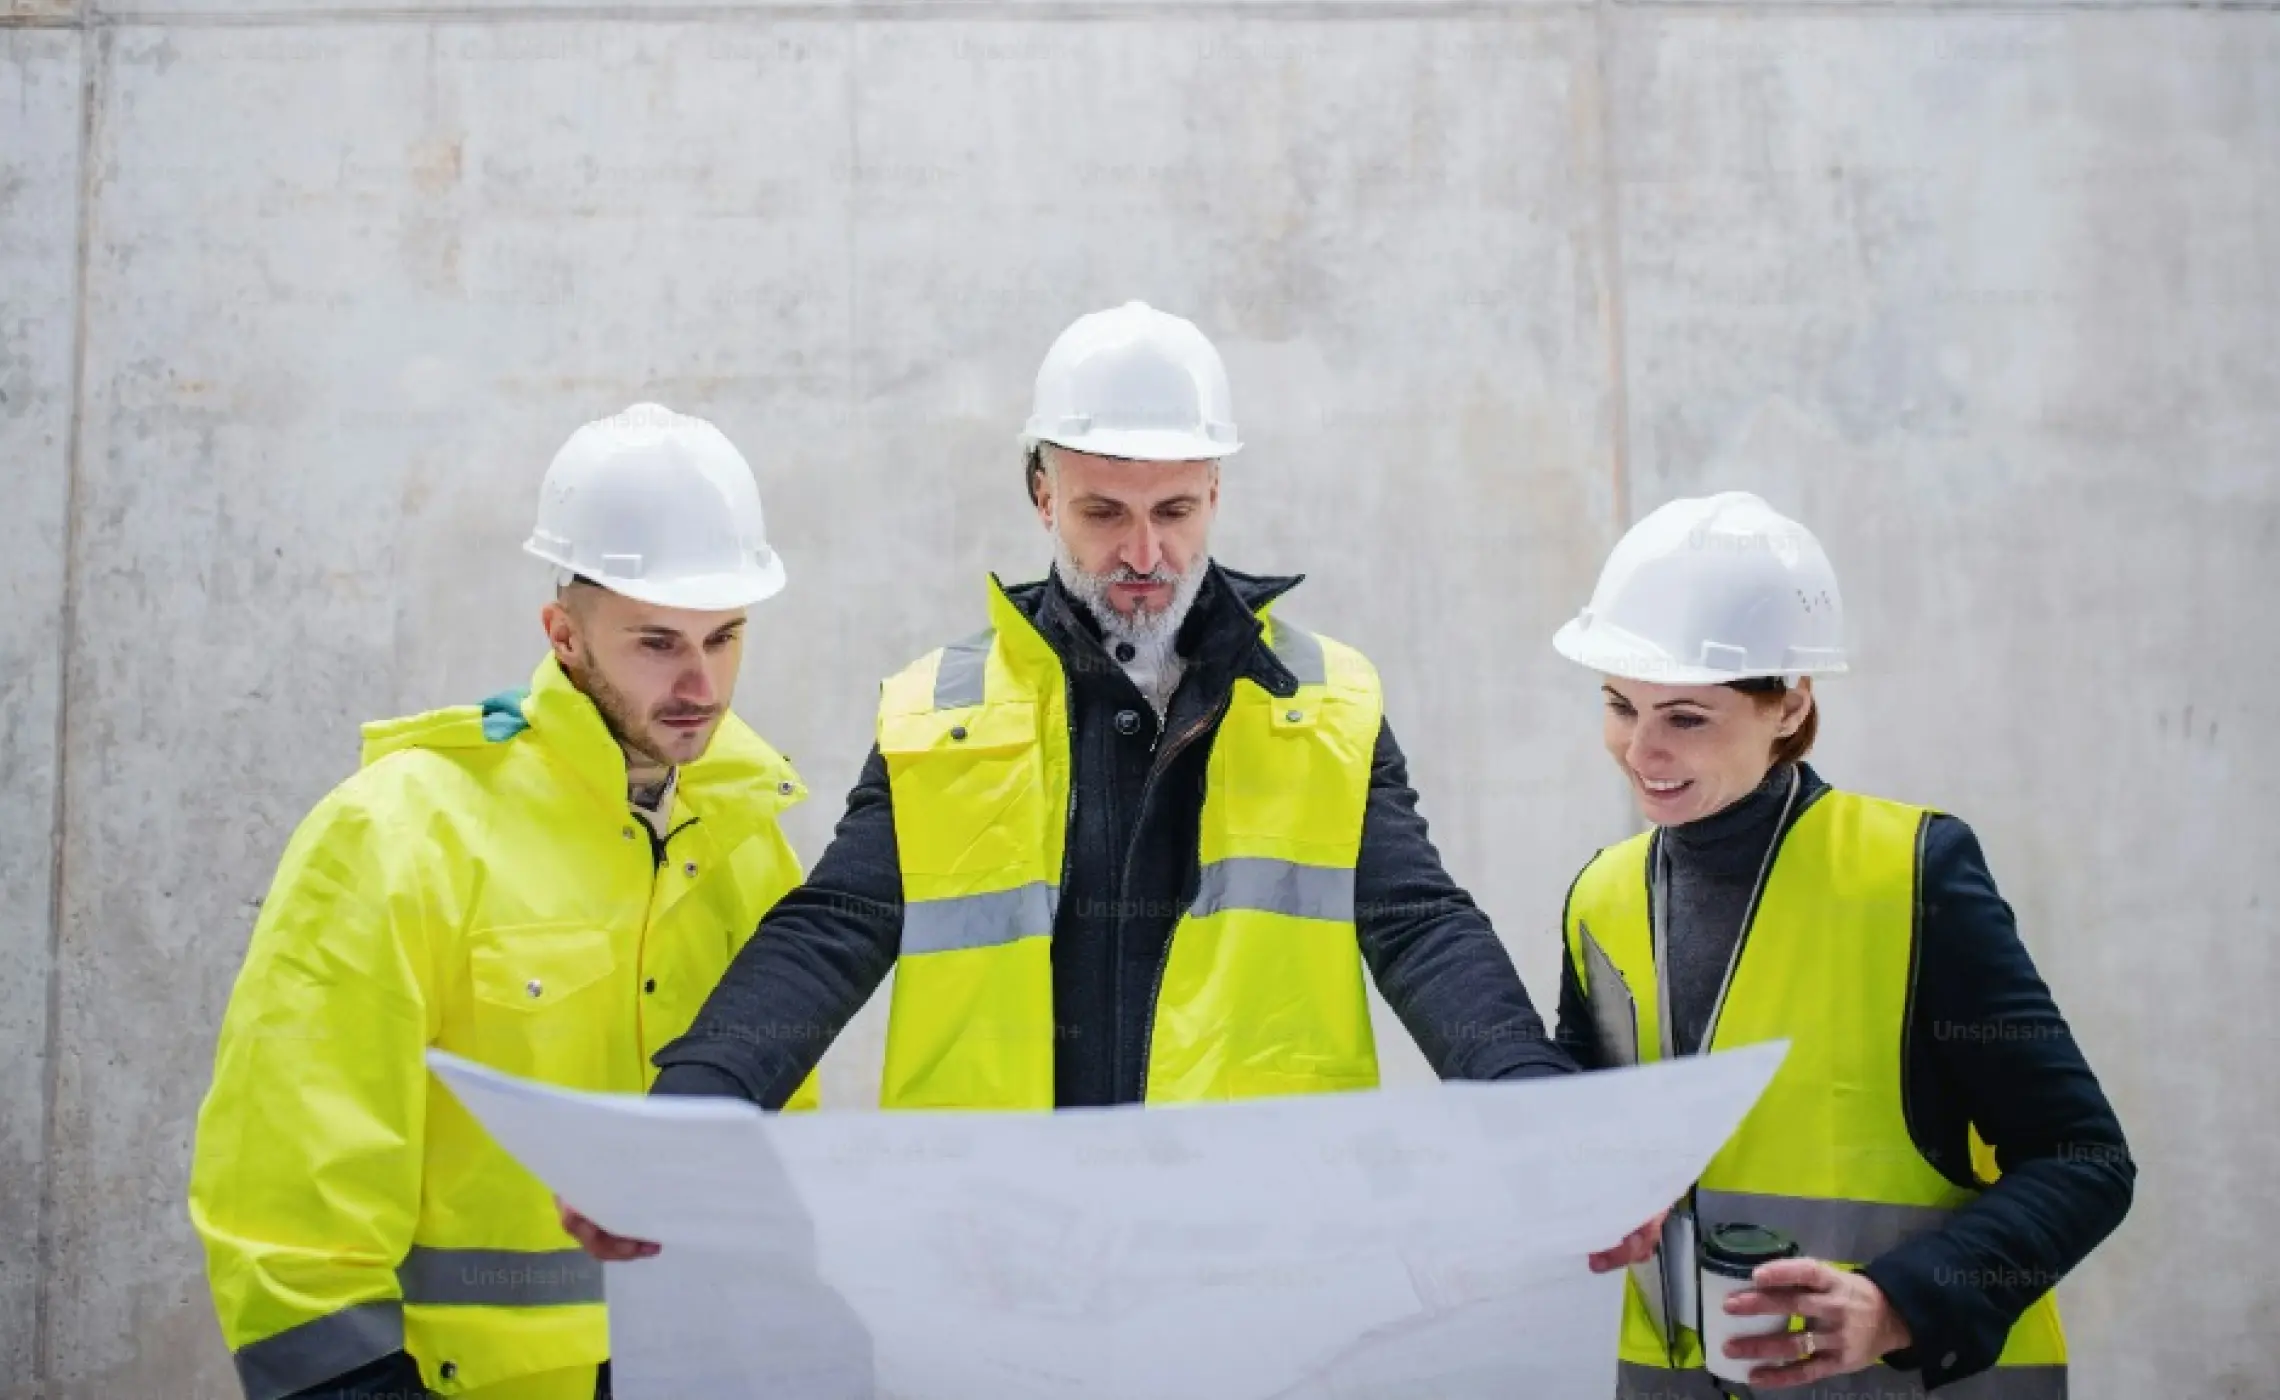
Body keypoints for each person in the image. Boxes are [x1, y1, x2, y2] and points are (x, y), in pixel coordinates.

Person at [560, 300, 1574, 1259]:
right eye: (1103, 510)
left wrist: (1542, 1117)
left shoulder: (1321, 702)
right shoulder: (944, 713)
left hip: (1256, 1247)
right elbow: (828, 931)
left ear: (1217, 490)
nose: (1145, 551)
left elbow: (1425, 927)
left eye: (1175, 508)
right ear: (1042, 493)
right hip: (1006, 1250)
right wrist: (683, 1117)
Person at [187, 404, 819, 1400]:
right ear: (563, 633)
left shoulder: (747, 836)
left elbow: (777, 1158)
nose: (703, 682)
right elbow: (288, 1199)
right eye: (658, 641)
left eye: (726, 636)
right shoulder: (397, 833)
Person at [1563, 492, 2133, 1397]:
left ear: (1789, 705)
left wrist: (1898, 1306)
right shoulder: (1602, 895)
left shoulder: (1911, 874)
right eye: (1619, 706)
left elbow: (2084, 1163)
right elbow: (1581, 1148)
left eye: (1686, 716)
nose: (1639, 750)